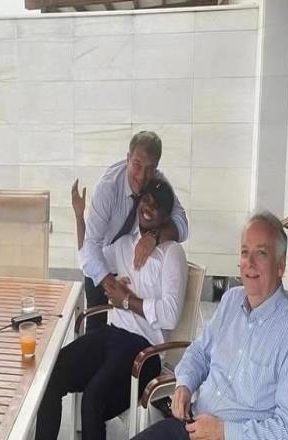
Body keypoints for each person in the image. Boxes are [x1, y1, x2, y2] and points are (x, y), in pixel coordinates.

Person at [131, 212, 288, 440]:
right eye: (245, 252)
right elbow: (199, 352)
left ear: (280, 266)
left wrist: (223, 431)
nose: (250, 263)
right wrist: (185, 384)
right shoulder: (231, 301)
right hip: (192, 426)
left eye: (261, 253)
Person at [35, 178, 188, 440]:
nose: (148, 208)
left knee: (93, 400)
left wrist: (127, 301)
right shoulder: (125, 244)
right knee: (50, 374)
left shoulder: (172, 253)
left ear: (165, 217)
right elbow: (88, 261)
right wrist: (80, 217)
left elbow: (170, 315)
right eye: (146, 200)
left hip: (144, 350)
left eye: (157, 206)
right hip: (112, 335)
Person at [78, 130, 188, 331]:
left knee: (130, 330)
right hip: (102, 264)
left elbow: (182, 224)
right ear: (128, 158)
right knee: (95, 332)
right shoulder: (108, 188)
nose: (142, 176)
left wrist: (154, 237)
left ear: (156, 167)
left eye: (150, 168)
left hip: (132, 268)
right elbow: (91, 246)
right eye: (137, 165)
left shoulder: (157, 183)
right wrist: (112, 286)